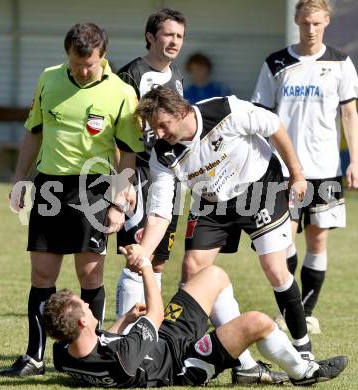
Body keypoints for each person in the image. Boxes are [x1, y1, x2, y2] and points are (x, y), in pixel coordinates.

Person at [123, 86, 316, 371]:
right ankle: (235, 362)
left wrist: (297, 175)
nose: (160, 134)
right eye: (155, 128)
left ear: (180, 112)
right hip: (211, 200)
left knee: (275, 268)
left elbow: (274, 127)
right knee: (193, 268)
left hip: (260, 185)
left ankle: (303, 348)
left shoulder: (227, 110)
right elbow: (160, 212)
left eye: (163, 125)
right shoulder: (162, 155)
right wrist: (145, 253)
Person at [0, 23, 143, 377]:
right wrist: (20, 178)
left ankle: (89, 353)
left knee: (90, 275)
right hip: (49, 186)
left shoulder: (122, 93)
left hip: (94, 189)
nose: (81, 70)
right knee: (41, 274)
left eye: (89, 64)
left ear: (102, 56)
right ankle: (34, 358)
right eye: (76, 63)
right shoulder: (49, 79)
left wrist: (119, 201)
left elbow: (127, 154)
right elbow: (34, 132)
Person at [43, 256, 348, 387]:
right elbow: (157, 314)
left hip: (162, 339)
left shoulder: (66, 356)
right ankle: (303, 372)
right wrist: (146, 268)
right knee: (258, 321)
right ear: (82, 322)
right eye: (84, 306)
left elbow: (101, 343)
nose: (88, 305)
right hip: (185, 361)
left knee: (212, 275)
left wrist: (124, 319)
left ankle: (243, 367)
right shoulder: (123, 359)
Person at [252, 0, 358, 334]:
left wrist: (355, 159)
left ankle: (305, 313)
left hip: (325, 169)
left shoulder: (341, 63)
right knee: (284, 240)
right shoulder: (276, 63)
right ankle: (290, 311)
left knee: (318, 240)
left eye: (316, 23)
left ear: (326, 21)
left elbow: (349, 114)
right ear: (296, 20)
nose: (310, 29)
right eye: (304, 23)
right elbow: (261, 117)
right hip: (283, 170)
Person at [114, 8, 185, 320]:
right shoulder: (131, 75)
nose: (174, 41)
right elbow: (118, 131)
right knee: (136, 255)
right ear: (150, 37)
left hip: (171, 174)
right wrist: (124, 182)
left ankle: (148, 326)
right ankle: (125, 333)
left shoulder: (177, 76)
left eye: (179, 36)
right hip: (140, 172)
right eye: (168, 34)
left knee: (158, 259)